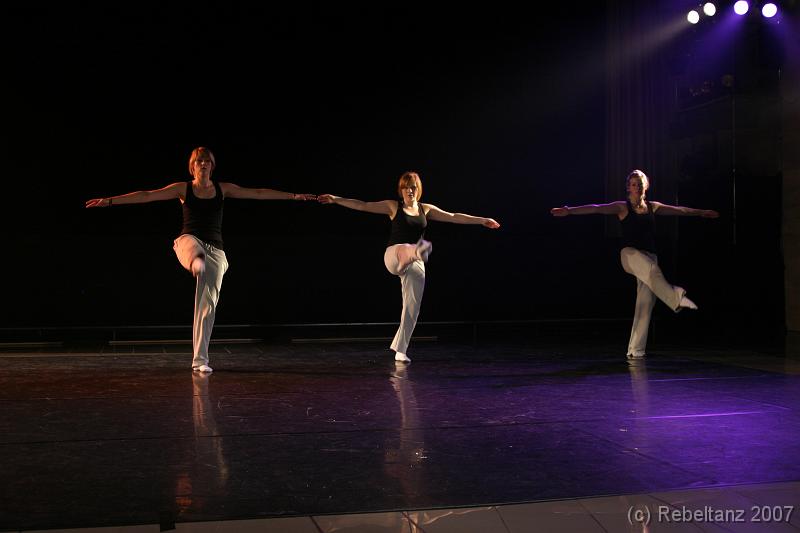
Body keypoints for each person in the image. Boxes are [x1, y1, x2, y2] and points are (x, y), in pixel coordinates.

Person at [86, 146, 315, 372]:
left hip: (216, 252)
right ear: (192, 167)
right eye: (199, 161)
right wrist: (110, 201)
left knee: (207, 307)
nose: (203, 164)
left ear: (212, 166)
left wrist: (294, 196)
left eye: (207, 161)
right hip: (189, 242)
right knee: (194, 249)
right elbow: (147, 195)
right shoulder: (183, 188)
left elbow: (258, 193)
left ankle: (200, 361)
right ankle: (196, 261)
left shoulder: (223, 188)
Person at [318, 171, 500, 363]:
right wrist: (336, 199)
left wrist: (482, 220)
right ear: (401, 190)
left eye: (413, 187)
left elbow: (453, 216)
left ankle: (401, 350)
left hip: (415, 261)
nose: (409, 191)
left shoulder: (425, 209)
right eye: (405, 188)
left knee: (412, 307)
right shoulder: (393, 206)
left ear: (418, 189)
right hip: (394, 255)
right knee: (407, 248)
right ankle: (415, 251)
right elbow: (363, 205)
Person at [550, 169, 719, 360]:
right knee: (653, 270)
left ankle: (636, 350)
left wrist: (701, 213)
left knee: (645, 304)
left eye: (639, 184)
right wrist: (569, 211)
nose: (636, 187)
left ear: (645, 186)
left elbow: (680, 210)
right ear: (628, 188)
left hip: (650, 256)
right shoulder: (622, 207)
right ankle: (675, 298)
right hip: (630, 255)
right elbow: (596, 208)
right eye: (633, 184)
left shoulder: (653, 207)